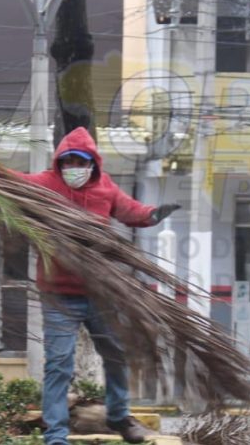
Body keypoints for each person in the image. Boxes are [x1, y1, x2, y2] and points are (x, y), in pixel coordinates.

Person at [15, 127, 180, 445]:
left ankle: (119, 416)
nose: (74, 168)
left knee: (116, 354)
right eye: (68, 162)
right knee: (59, 365)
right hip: (59, 295)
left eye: (80, 162)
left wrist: (153, 215)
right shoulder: (45, 184)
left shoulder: (105, 188)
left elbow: (130, 210)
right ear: (59, 162)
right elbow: (12, 181)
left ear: (92, 163)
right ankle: (56, 435)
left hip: (99, 292)